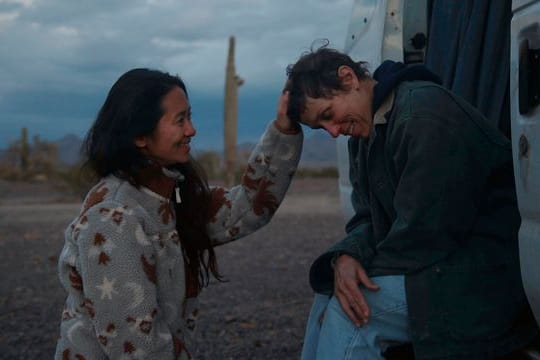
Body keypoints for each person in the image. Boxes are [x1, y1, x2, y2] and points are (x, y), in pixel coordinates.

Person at [285, 46, 539, 359]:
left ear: (348, 78)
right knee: (328, 295)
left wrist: (357, 270)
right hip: (435, 265)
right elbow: (366, 217)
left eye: (328, 115)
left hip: (482, 276)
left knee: (350, 313)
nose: (333, 132)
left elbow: (425, 233)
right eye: (321, 128)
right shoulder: (366, 135)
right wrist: (347, 257)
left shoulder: (423, 114)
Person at [54, 68, 302, 359]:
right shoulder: (113, 218)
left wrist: (284, 130)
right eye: (180, 120)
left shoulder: (167, 197)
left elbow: (246, 208)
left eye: (190, 116)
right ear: (140, 136)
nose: (191, 130)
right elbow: (139, 349)